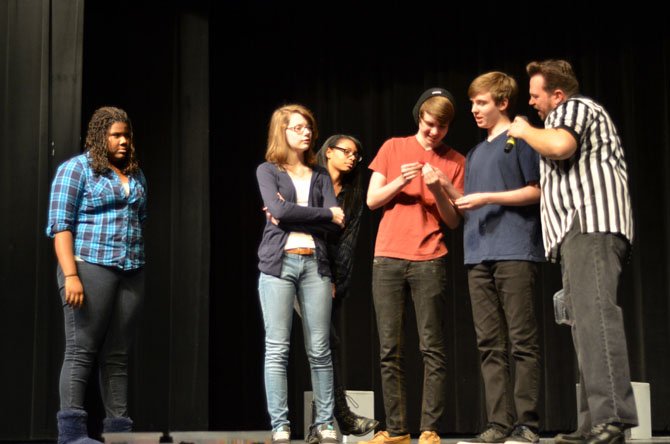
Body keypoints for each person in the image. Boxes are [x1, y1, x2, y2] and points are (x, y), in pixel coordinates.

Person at [509, 59, 638, 444]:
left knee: (597, 320)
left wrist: (523, 130)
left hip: (592, 224)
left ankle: (612, 417)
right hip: (573, 234)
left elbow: (563, 146)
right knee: (583, 327)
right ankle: (593, 421)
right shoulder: (554, 120)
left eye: (536, 95)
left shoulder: (574, 109)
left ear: (558, 94)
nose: (531, 103)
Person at [362, 88, 465, 444]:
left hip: (429, 258)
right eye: (429, 123)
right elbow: (372, 200)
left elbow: (453, 221)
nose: (434, 132)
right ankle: (396, 429)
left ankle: (429, 429)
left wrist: (438, 188)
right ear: (419, 116)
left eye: (442, 127)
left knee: (431, 346)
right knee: (390, 348)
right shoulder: (393, 147)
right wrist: (400, 181)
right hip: (388, 257)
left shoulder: (455, 161)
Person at [46, 106, 147, 444]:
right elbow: (61, 227)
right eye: (117, 135)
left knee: (117, 355)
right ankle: (72, 435)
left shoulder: (135, 175)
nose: (124, 141)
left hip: (130, 270)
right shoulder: (76, 170)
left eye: (127, 135)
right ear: (100, 136)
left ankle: (119, 433)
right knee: (81, 350)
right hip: (88, 266)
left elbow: (139, 219)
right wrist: (71, 275)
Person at [453, 72, 544, 444]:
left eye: (482, 102)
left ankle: (527, 423)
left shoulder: (520, 139)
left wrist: (489, 197)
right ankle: (498, 422)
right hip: (477, 254)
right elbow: (467, 206)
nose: (474, 109)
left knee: (522, 340)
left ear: (502, 103)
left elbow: (536, 191)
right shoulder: (475, 153)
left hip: (514, 250)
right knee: (488, 343)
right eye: (472, 102)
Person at [256, 104, 344, 444]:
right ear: (283, 132)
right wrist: (323, 214)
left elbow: (338, 221)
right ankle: (280, 424)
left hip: (315, 263)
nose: (306, 132)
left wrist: (295, 215)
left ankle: (324, 423)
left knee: (319, 348)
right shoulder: (268, 171)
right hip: (279, 263)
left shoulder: (320, 175)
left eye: (308, 127)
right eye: (298, 127)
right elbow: (278, 210)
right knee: (277, 348)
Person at [302, 135, 379, 444]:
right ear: (329, 152)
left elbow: (347, 244)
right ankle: (340, 416)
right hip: (303, 268)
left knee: (321, 345)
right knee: (324, 343)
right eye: (346, 151)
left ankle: (318, 427)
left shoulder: (352, 195)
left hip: (330, 278)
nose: (352, 158)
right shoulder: (307, 183)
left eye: (356, 155)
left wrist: (337, 281)